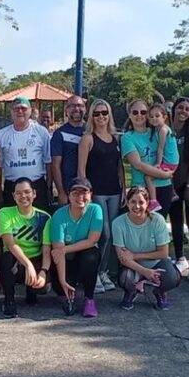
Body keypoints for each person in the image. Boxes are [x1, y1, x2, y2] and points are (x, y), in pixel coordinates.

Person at [77, 98, 124, 294]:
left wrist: (124, 189)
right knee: (101, 233)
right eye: (96, 114)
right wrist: (86, 193)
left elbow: (120, 167)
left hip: (114, 191)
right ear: (91, 117)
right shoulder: (87, 139)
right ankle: (93, 273)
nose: (101, 117)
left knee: (112, 235)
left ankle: (103, 271)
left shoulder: (115, 138)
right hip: (96, 193)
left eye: (104, 113)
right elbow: (81, 170)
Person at [112, 186, 182, 311]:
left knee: (173, 278)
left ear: (148, 203)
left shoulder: (157, 220)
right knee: (125, 278)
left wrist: (134, 256)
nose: (137, 206)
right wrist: (144, 271)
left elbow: (163, 252)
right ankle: (131, 292)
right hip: (133, 266)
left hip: (156, 262)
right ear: (127, 203)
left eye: (141, 202)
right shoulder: (118, 223)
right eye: (133, 202)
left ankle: (160, 292)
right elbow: (123, 258)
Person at [0, 177, 52, 318]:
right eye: (19, 193)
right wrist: (28, 265)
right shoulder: (5, 213)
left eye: (27, 192)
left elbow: (46, 249)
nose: (23, 196)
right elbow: (10, 244)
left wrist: (44, 272)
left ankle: (31, 291)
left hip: (36, 258)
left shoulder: (44, 218)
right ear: (14, 196)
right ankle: (9, 301)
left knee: (42, 287)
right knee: (7, 257)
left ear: (34, 193)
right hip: (16, 260)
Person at [49, 177, 103, 318]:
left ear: (91, 194)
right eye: (75, 193)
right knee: (60, 289)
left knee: (91, 255)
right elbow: (57, 250)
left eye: (84, 193)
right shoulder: (59, 215)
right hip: (67, 259)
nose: (80, 197)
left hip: (82, 254)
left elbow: (92, 240)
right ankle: (66, 293)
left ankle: (89, 299)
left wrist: (65, 249)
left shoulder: (95, 210)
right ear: (68, 195)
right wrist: (63, 281)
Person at [0, 96, 52, 208]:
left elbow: (49, 162)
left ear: (30, 111)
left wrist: (48, 187)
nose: (20, 111)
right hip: (12, 187)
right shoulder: (2, 135)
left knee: (40, 223)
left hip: (37, 186)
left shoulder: (41, 132)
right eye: (16, 109)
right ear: (11, 112)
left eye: (23, 108)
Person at [120, 99, 177, 211]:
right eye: (135, 112)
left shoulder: (157, 131)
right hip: (141, 187)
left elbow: (171, 152)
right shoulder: (127, 137)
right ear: (129, 115)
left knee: (159, 224)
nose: (139, 115)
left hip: (164, 186)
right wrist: (163, 174)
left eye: (143, 112)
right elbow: (137, 165)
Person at [168, 98, 189, 280]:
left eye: (187, 109)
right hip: (170, 183)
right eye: (180, 107)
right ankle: (180, 257)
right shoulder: (165, 130)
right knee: (176, 220)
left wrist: (188, 185)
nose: (183, 111)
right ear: (174, 109)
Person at [51, 94, 86, 207]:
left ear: (85, 109)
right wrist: (61, 192)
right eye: (72, 106)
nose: (76, 109)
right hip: (69, 189)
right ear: (66, 110)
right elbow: (55, 165)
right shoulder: (59, 134)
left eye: (80, 105)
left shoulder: (91, 131)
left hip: (90, 188)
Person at [142, 103, 179, 212]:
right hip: (171, 162)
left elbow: (160, 149)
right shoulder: (157, 130)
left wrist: (158, 164)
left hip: (170, 163)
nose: (154, 119)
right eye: (151, 116)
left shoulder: (163, 130)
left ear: (164, 117)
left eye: (157, 116)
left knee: (148, 177)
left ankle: (153, 202)